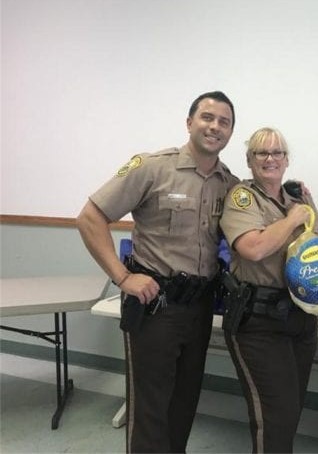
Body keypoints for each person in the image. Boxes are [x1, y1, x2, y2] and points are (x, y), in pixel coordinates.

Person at [76, 91, 239, 453]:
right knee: (151, 408)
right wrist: (122, 277)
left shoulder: (229, 184)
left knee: (184, 404)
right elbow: (90, 218)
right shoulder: (152, 167)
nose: (215, 127)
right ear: (189, 122)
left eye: (224, 122)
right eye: (207, 118)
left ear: (230, 132)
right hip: (155, 306)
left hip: (199, 308)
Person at [219, 127, 318, 453]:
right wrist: (294, 218)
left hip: (300, 316)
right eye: (261, 153)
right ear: (249, 160)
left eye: (277, 152)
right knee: (275, 416)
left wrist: (301, 205)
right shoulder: (242, 197)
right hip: (259, 322)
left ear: (286, 159)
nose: (270, 159)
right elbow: (253, 248)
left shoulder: (299, 196)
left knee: (291, 409)